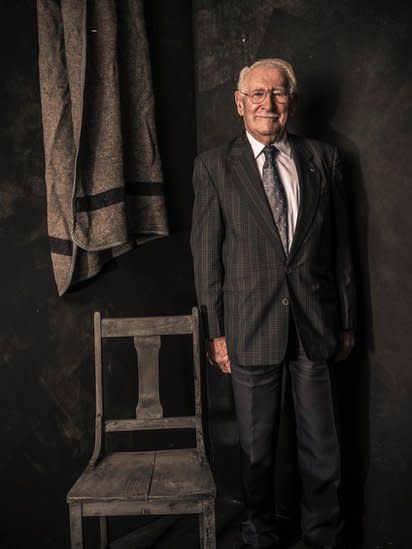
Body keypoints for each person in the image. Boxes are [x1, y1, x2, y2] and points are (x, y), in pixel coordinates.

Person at [190, 58, 356, 549]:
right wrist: (216, 332)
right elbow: (205, 260)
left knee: (321, 448)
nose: (269, 103)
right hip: (248, 327)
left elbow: (342, 248)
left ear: (293, 103)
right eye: (258, 94)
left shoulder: (324, 160)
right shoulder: (213, 167)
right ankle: (258, 534)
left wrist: (346, 322)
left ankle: (322, 536)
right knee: (256, 448)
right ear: (239, 103)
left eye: (279, 94)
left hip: (314, 324)